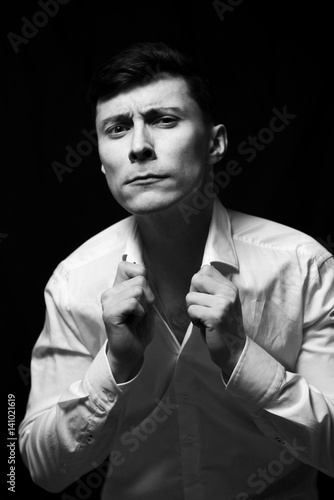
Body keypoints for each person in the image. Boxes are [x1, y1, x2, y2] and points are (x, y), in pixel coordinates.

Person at [19, 41, 334, 500]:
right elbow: (36, 467)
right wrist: (115, 366)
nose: (139, 148)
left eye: (164, 120)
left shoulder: (303, 266)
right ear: (102, 158)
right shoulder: (73, 282)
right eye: (117, 128)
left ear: (216, 143)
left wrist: (242, 358)